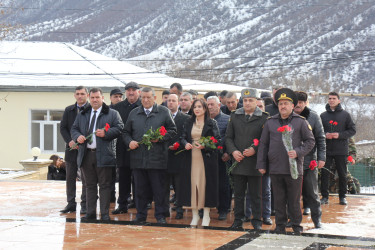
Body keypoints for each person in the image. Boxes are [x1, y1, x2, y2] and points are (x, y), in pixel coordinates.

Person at [257, 88, 315, 234]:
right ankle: (280, 226)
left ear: (292, 106)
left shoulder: (300, 122)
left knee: (294, 200)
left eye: (286, 103)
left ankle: (296, 226)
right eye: (280, 103)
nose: (283, 106)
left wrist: (298, 152)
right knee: (279, 200)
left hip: (294, 168)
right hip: (275, 167)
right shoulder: (270, 122)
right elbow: (263, 144)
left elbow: (310, 141)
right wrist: (262, 164)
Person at [124, 87, 177, 224]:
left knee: (159, 190)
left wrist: (160, 138)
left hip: (158, 159)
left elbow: (173, 130)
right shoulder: (134, 113)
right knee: (140, 190)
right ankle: (140, 215)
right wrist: (129, 142)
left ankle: (160, 215)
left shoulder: (164, 112)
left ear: (155, 98)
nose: (146, 100)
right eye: (143, 98)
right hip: (138, 159)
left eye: (148, 97)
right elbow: (125, 132)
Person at [71, 87, 124, 221]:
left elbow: (119, 128)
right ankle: (90, 213)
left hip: (104, 155)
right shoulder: (83, 113)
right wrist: (77, 137)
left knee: (105, 185)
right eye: (92, 98)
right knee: (89, 185)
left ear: (103, 98)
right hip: (86, 155)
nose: (95, 100)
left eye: (97, 97)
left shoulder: (112, 113)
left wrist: (106, 133)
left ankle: (105, 214)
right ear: (89, 98)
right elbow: (74, 128)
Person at [226, 89, 269, 230]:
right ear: (241, 101)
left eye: (251, 100)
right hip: (238, 161)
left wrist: (254, 150)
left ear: (256, 101)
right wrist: (233, 151)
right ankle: (238, 220)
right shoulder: (235, 116)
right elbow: (228, 138)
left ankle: (256, 220)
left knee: (256, 195)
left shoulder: (264, 118)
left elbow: (265, 140)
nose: (248, 103)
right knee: (238, 195)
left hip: (255, 162)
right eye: (245, 100)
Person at [179, 98, 221, 226]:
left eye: (199, 107)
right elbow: (182, 137)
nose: (197, 109)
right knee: (193, 186)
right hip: (190, 158)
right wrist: (185, 143)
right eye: (195, 107)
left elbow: (217, 140)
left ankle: (206, 215)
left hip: (206, 159)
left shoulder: (211, 122)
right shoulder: (188, 121)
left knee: (204, 186)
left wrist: (205, 146)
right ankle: (195, 215)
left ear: (204, 109)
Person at [293, 91, 325, 228]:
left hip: (308, 161)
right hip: (291, 161)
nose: (298, 105)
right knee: (292, 193)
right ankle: (293, 219)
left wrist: (321, 158)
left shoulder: (313, 116)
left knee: (312, 193)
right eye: (297, 102)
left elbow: (320, 138)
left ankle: (317, 219)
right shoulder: (288, 116)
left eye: (301, 102)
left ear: (306, 103)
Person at [320, 92, 356, 205]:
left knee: (342, 174)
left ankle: (342, 197)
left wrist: (339, 135)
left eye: (334, 98)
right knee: (324, 174)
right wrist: (325, 134)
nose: (331, 100)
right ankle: (324, 197)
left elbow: (352, 130)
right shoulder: (323, 115)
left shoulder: (345, 115)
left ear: (339, 100)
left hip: (341, 149)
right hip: (327, 149)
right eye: (329, 98)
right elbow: (318, 131)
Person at [111, 82, 142, 214]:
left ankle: (140, 204)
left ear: (138, 92)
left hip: (139, 148)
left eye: (133, 90)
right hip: (122, 148)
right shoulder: (118, 107)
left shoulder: (143, 105)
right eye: (128, 90)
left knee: (139, 179)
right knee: (123, 178)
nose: (131, 92)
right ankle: (122, 204)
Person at [59, 86, 89, 214]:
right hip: (71, 149)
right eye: (77, 94)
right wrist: (70, 141)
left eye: (82, 93)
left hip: (86, 148)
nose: (80, 96)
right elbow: (63, 128)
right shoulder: (69, 110)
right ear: (74, 95)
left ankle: (85, 204)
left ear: (87, 95)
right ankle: (71, 203)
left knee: (86, 178)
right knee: (70, 177)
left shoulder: (91, 110)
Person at [244, 98, 273, 226]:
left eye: (261, 106)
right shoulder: (250, 120)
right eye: (258, 106)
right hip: (251, 160)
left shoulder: (269, 121)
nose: (259, 109)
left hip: (265, 159)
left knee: (265, 190)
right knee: (250, 190)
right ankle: (248, 214)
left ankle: (266, 215)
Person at [207, 96, 231, 221]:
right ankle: (206, 208)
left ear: (219, 105)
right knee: (207, 185)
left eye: (212, 104)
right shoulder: (204, 120)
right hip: (206, 158)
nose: (210, 107)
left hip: (222, 158)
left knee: (223, 185)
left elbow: (230, 137)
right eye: (208, 104)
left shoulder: (227, 119)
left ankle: (223, 209)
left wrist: (228, 153)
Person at [166, 94, 190, 219]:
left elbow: (186, 136)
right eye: (168, 100)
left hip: (180, 156)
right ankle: (164, 210)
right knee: (164, 185)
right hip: (164, 156)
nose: (170, 103)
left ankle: (180, 210)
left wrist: (179, 144)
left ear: (178, 103)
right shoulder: (161, 116)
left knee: (179, 186)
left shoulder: (186, 118)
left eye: (173, 101)